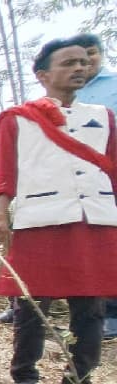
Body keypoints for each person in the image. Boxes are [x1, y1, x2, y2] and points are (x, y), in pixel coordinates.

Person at [0, 38, 117, 384]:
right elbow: (4, 172)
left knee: (91, 306)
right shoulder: (18, 118)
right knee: (31, 304)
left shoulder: (103, 116)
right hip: (41, 217)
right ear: (42, 75)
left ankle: (80, 383)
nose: (78, 68)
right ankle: (25, 378)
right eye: (67, 63)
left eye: (82, 62)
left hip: (94, 218)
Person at [72, 33, 117, 339]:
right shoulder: (68, 92)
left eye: (90, 55)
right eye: (76, 59)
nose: (85, 64)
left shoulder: (112, 86)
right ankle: (93, 311)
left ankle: (113, 313)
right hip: (76, 178)